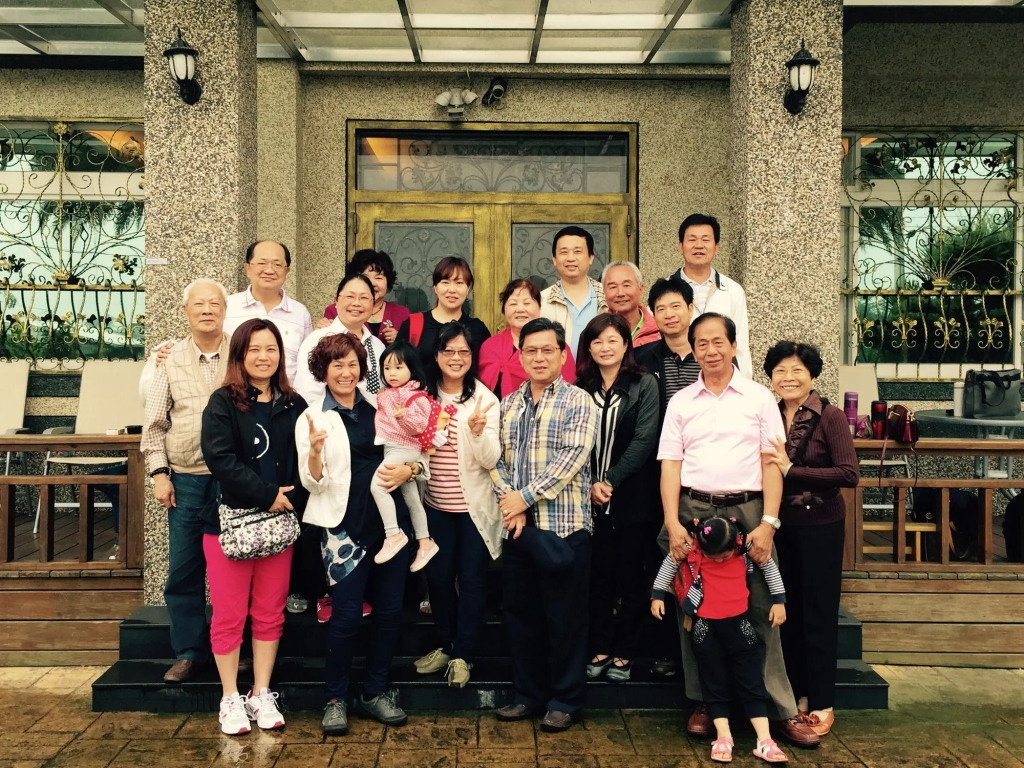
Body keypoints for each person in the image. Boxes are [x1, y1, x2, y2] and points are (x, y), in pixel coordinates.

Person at [656, 312, 819, 748]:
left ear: (733, 346)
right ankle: (706, 702)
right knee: (694, 608)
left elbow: (772, 463)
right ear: (693, 350)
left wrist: (769, 523)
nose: (710, 351)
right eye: (702, 343)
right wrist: (672, 521)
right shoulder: (681, 402)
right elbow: (670, 464)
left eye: (718, 342)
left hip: (748, 510)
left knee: (764, 607)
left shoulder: (758, 398)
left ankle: (780, 708)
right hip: (694, 510)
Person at [295, 333, 423, 736]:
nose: (346, 372)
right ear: (323, 370)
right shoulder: (312, 417)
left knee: (389, 613)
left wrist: (412, 469)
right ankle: (335, 698)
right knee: (346, 615)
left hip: (391, 527)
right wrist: (315, 451)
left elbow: (417, 451)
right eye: (337, 364)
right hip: (343, 529)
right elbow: (311, 483)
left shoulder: (380, 407)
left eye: (353, 364)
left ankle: (375, 692)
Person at [200, 318, 308, 735]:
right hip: (230, 525)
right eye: (255, 350)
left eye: (272, 349)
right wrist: (266, 494)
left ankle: (260, 692)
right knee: (228, 614)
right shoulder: (223, 402)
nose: (264, 357)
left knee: (269, 612)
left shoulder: (294, 404)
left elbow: (304, 461)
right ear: (240, 355)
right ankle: (230, 696)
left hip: (277, 525)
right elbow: (220, 459)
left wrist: (290, 496)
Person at [492, 317, 597, 733]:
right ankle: (528, 695)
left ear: (562, 354)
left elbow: (572, 458)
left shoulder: (578, 401)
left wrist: (524, 497)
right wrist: (511, 503)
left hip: (564, 528)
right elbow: (495, 461)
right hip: (519, 530)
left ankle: (566, 700)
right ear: (520, 356)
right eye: (530, 350)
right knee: (522, 617)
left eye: (547, 350)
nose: (538, 358)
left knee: (565, 620)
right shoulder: (508, 404)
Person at [761, 341, 859, 738]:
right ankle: (797, 695)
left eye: (797, 370)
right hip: (779, 526)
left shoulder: (829, 416)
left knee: (818, 613)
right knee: (788, 612)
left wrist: (792, 470)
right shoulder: (768, 414)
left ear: (812, 375)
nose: (788, 378)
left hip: (821, 526)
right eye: (780, 371)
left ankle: (821, 701)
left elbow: (848, 474)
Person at [140, 278, 230, 684]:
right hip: (188, 480)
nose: (207, 310)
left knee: (236, 567)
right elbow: (155, 424)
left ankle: (233, 647)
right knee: (184, 569)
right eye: (199, 304)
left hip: (234, 480)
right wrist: (160, 474)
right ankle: (189, 652)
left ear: (225, 310)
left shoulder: (241, 351)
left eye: (214, 304)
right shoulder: (170, 359)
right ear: (186, 311)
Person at [651, 516, 789, 764]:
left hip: (740, 625)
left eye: (723, 556)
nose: (718, 560)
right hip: (706, 628)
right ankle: (723, 735)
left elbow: (769, 566)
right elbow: (670, 563)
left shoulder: (744, 547)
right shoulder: (694, 547)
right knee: (713, 680)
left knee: (751, 679)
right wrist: (657, 595)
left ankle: (765, 739)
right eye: (711, 556)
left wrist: (779, 601)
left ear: (734, 544)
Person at [415, 322, 503, 689]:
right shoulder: (421, 395)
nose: (456, 358)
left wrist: (478, 432)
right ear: (436, 355)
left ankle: (463, 655)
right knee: (437, 579)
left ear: (472, 357)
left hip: (472, 510)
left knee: (471, 580)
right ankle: (446, 645)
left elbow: (491, 459)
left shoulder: (484, 400)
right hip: (434, 506)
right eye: (448, 351)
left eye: (463, 352)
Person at [574, 313, 659, 683]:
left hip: (631, 499)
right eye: (597, 341)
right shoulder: (580, 387)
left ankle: (625, 652)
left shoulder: (644, 384)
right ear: (589, 348)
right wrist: (590, 484)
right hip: (587, 500)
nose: (605, 348)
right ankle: (600, 646)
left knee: (631, 578)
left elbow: (644, 439)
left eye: (612, 340)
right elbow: (573, 441)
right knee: (597, 578)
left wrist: (609, 480)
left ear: (626, 344)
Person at [371, 341, 441, 571]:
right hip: (394, 448)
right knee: (412, 499)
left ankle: (393, 534)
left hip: (403, 448)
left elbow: (420, 425)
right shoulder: (389, 393)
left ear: (412, 368)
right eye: (387, 368)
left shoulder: (416, 396)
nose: (392, 373)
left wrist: (404, 416)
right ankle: (425, 542)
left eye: (399, 367)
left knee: (378, 487)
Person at [224, 240, 313, 385]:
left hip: (285, 396)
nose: (269, 270)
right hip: (234, 395)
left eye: (277, 264)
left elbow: (307, 362)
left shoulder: (300, 313)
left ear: (287, 271)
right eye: (262, 263)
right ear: (247, 268)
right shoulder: (227, 307)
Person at [676, 213, 752, 377]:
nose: (699, 245)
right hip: (678, 379)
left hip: (723, 380)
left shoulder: (733, 290)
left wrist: (744, 385)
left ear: (716, 247)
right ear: (680, 246)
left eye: (705, 240)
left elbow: (740, 347)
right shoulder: (666, 290)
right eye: (692, 239)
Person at [294, 274, 386, 407]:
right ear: (336, 301)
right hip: (328, 417)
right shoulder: (317, 340)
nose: (356, 303)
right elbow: (307, 393)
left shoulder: (378, 345)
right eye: (350, 296)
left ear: (372, 304)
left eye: (364, 298)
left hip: (373, 417)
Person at [478, 278, 576, 398]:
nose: (520, 309)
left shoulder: (555, 345)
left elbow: (568, 388)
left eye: (527, 303)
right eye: (513, 304)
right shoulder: (490, 347)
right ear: (504, 310)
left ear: (539, 308)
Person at [395, 256, 490, 367]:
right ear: (435, 287)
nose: (452, 290)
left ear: (468, 288)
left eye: (459, 283)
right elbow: (396, 367)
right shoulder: (412, 325)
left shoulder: (478, 329)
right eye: (445, 282)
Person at [636, 275, 701, 417]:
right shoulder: (642, 359)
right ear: (653, 315)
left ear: (690, 309)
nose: (669, 314)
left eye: (675, 306)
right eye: (661, 309)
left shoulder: (710, 355)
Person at [540, 226, 608, 358]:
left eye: (577, 251)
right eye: (564, 252)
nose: (570, 258)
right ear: (554, 259)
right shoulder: (541, 301)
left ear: (591, 257)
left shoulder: (607, 297)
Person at [320, 249, 410, 344]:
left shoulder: (402, 313)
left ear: (388, 281)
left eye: (378, 278)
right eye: (365, 277)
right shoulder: (336, 310)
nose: (372, 283)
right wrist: (323, 331)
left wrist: (401, 340)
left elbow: (412, 349)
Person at [602, 261, 659, 348]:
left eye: (626, 285)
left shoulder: (660, 331)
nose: (620, 293)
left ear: (641, 289)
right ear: (604, 292)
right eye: (613, 287)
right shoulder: (595, 332)